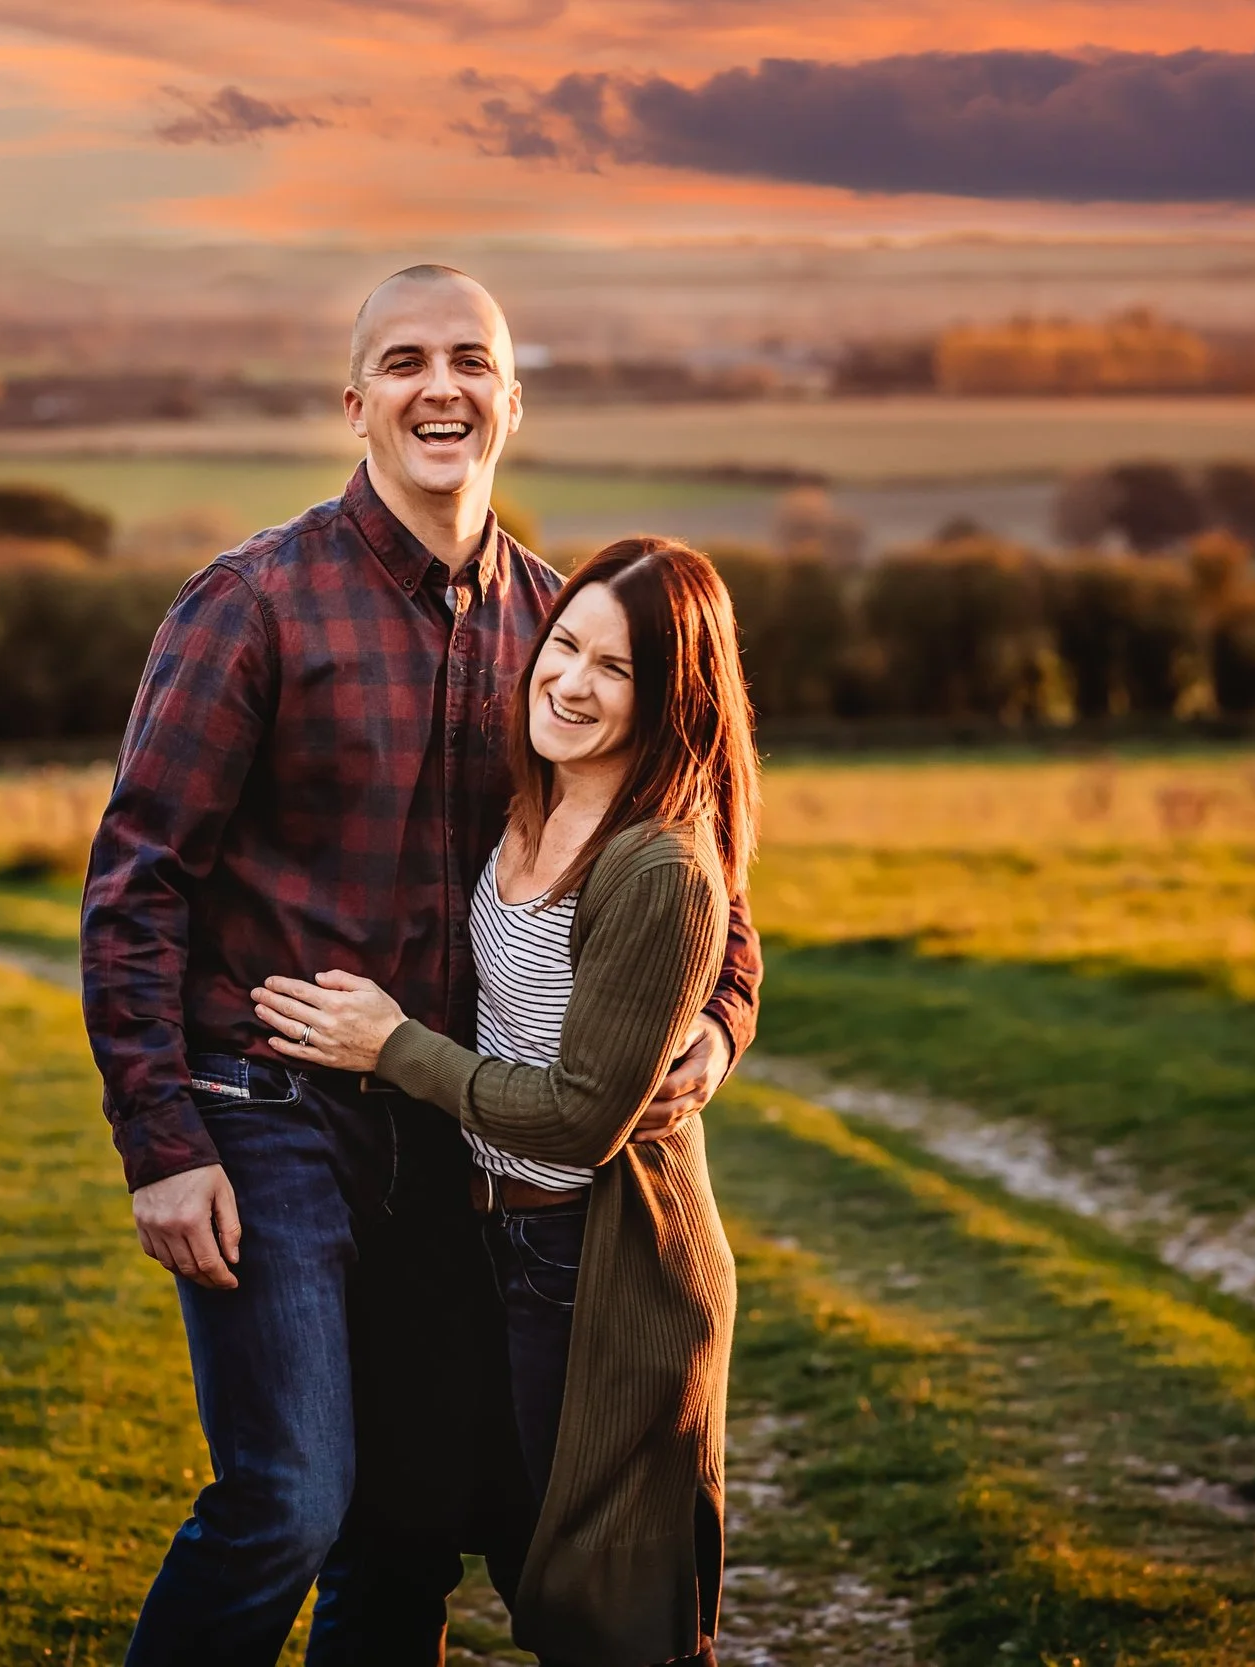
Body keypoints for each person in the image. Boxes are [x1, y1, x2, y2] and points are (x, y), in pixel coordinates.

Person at [80, 267, 763, 1666]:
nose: (438, 385)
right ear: (355, 404)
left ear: (513, 399)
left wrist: (721, 1013)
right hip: (270, 1110)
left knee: (407, 1522)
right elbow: (137, 880)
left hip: (456, 1132)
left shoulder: (562, 628)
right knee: (287, 1495)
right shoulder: (251, 607)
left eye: (470, 359)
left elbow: (696, 843)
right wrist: (162, 1142)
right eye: (403, 361)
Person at [256, 536, 755, 1667]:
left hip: (592, 1255)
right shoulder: (525, 793)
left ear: (674, 696)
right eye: (563, 646)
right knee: (495, 1551)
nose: (570, 682)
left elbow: (584, 1116)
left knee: (609, 1607)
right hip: (486, 1231)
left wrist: (392, 1047)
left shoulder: (660, 866)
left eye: (615, 669)